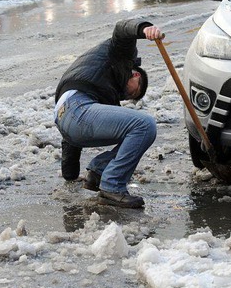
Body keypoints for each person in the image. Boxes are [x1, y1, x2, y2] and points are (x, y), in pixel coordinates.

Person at [54, 19, 164, 208]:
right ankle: (112, 186)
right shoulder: (122, 57)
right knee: (144, 125)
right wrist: (144, 29)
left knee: (131, 132)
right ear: (136, 75)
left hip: (64, 116)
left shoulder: (101, 85)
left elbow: (70, 140)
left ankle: (98, 172)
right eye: (134, 92)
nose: (127, 96)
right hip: (77, 107)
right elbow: (122, 30)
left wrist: (70, 175)